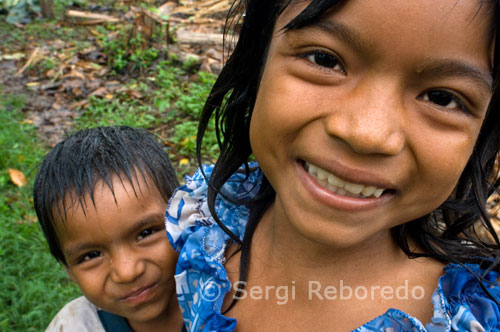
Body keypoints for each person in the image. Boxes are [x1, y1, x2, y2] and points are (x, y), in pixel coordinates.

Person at [166, 0, 500, 331]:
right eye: (324, 59)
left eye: (442, 98)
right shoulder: (205, 224)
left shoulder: (469, 321)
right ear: (259, 56)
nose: (367, 134)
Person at [34, 126, 183, 332]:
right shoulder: (72, 326)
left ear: (184, 217)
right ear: (68, 269)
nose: (127, 272)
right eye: (91, 255)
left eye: (145, 233)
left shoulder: (233, 301)